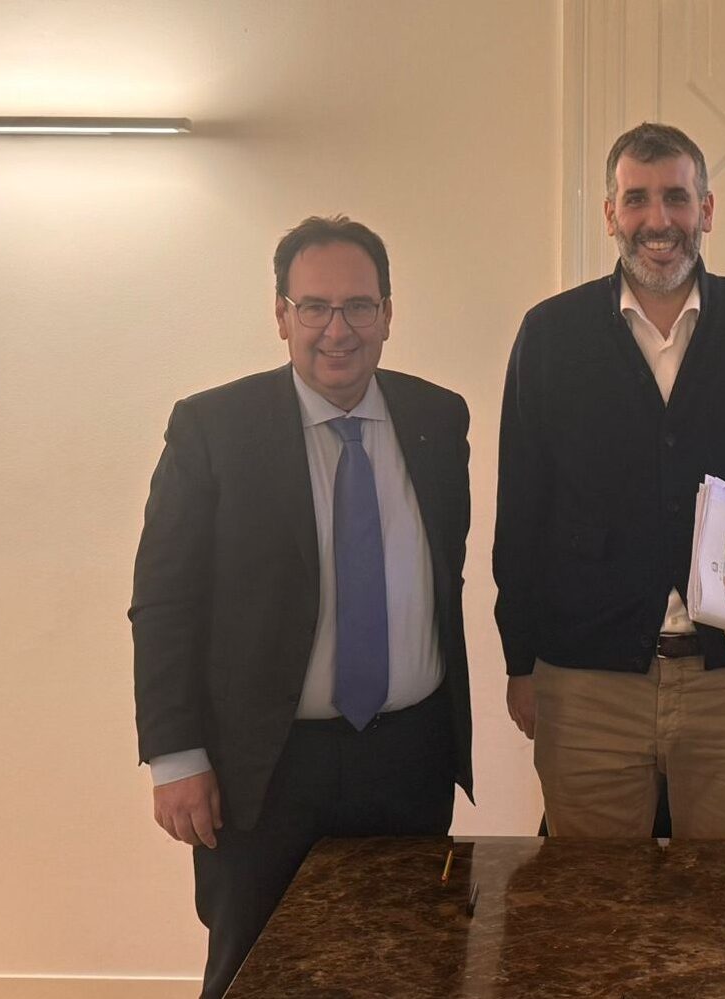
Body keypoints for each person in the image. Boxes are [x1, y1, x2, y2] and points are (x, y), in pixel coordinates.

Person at [130, 215, 472, 998]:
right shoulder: (214, 428)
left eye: (358, 306)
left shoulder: (437, 418)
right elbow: (165, 599)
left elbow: (441, 571)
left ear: (388, 312)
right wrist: (176, 756)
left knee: (408, 968)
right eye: (314, 306)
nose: (336, 329)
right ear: (281, 314)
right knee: (256, 970)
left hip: (409, 757)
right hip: (264, 767)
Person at [493, 122, 725, 839]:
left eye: (677, 198)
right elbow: (521, 509)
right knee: (593, 897)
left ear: (706, 209)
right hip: (586, 686)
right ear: (610, 214)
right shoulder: (550, 335)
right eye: (637, 199)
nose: (659, 220)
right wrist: (519, 663)